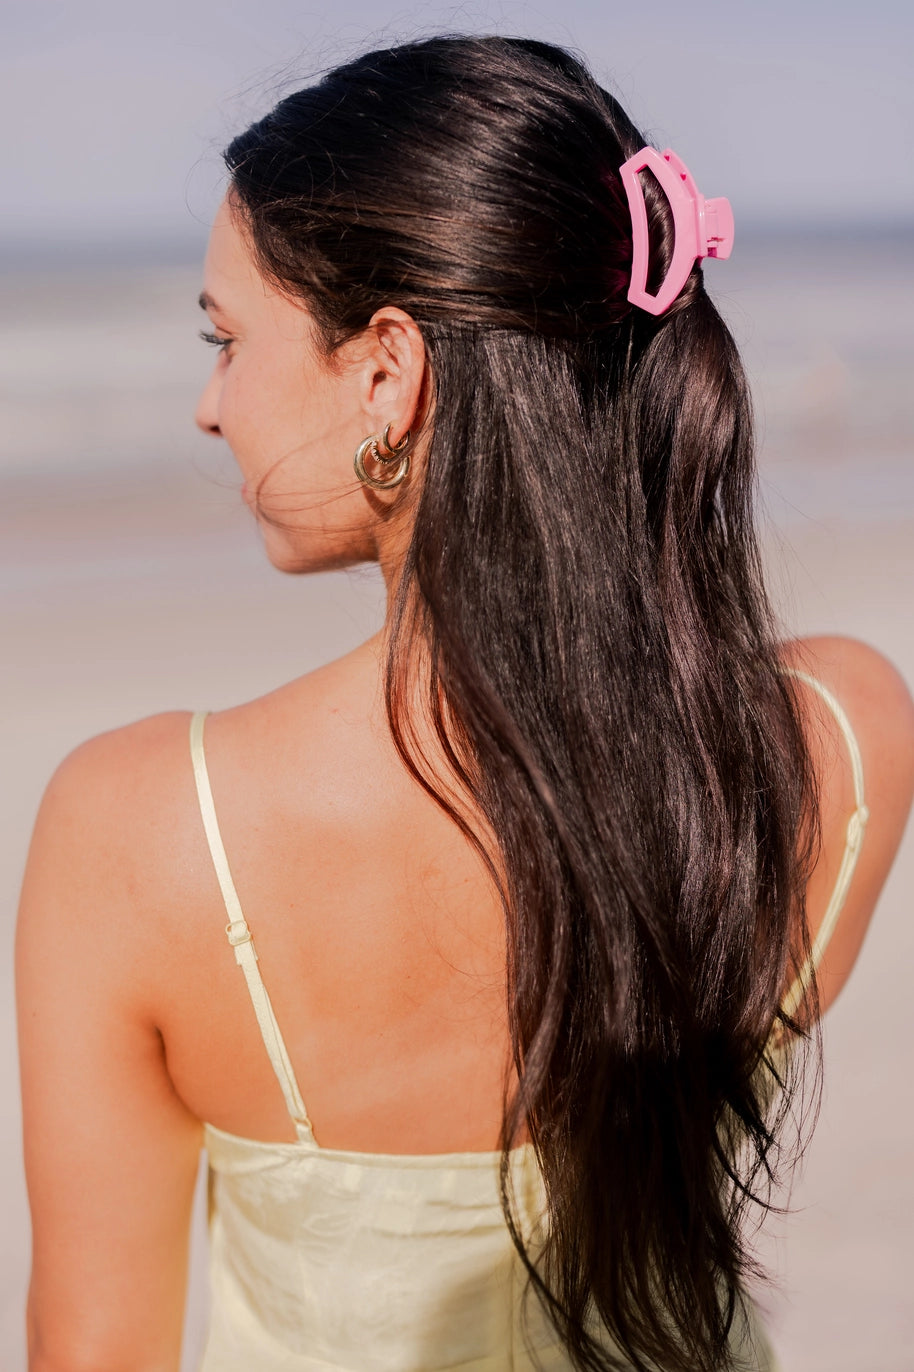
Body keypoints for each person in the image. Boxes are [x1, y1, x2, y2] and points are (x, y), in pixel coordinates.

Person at [16, 34, 914, 1372]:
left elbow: (97, 1353)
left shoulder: (140, 833)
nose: (210, 407)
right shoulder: (844, 730)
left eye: (227, 339)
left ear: (387, 371)